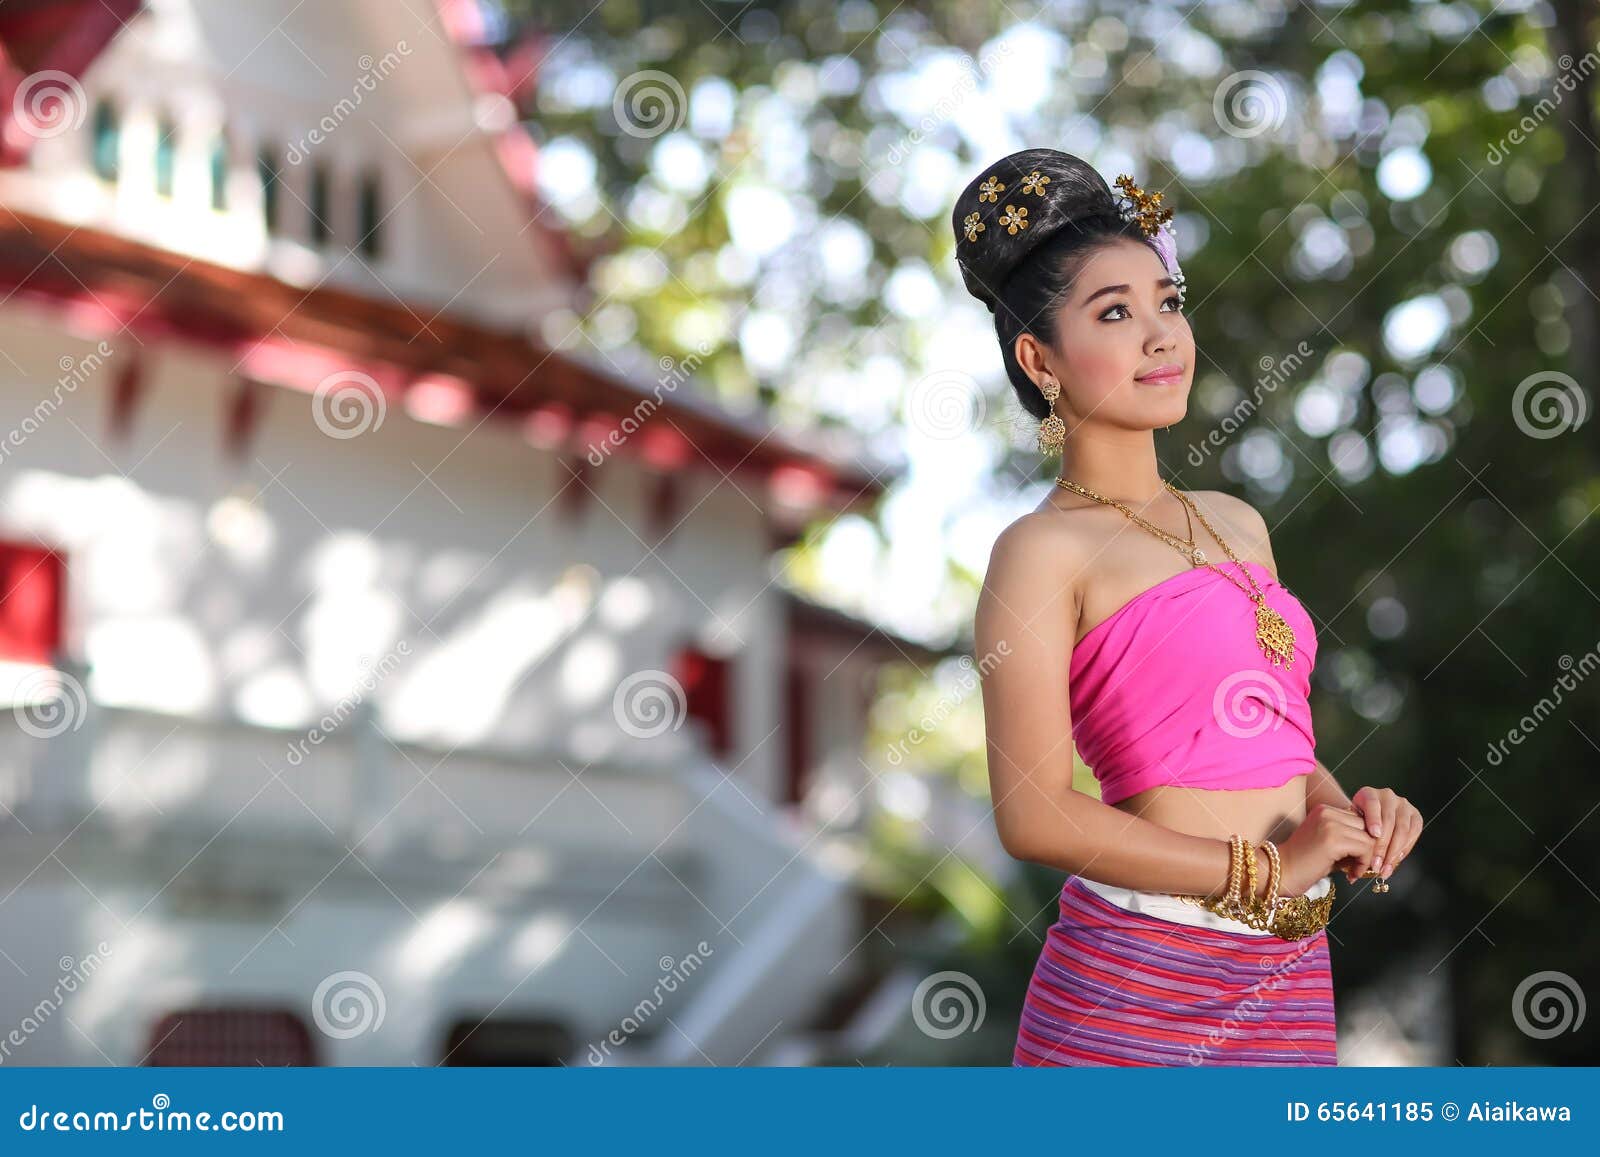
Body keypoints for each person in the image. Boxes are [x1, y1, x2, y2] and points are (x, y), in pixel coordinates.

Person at [957, 148, 1424, 1066]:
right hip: (1136, 978)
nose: (1162, 334)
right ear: (1039, 357)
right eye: (1116, 312)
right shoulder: (1038, 552)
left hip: (1283, 972)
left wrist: (1351, 814)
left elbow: (1273, 747)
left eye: (1167, 301)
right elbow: (1034, 813)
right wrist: (1262, 870)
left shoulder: (1238, 524)